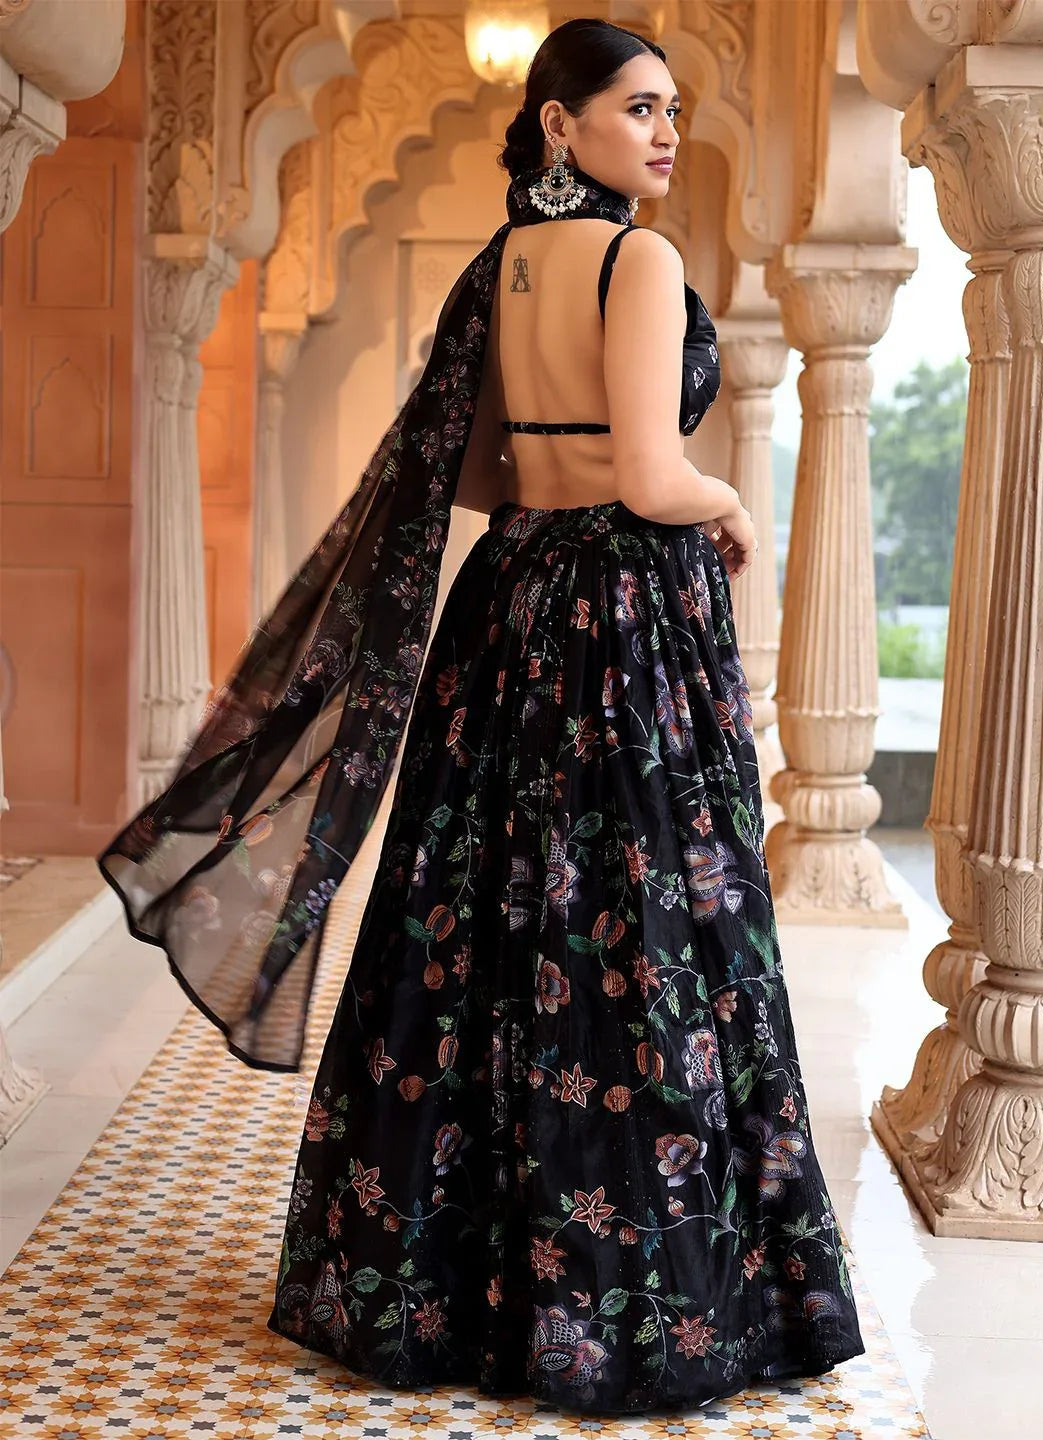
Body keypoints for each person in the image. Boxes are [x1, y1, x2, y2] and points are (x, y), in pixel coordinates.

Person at [99, 14, 864, 1419]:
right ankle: (630, 1303)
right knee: (640, 941)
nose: (667, 131)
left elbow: (478, 473)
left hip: (510, 608)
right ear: (561, 125)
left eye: (673, 108)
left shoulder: (499, 269)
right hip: (621, 630)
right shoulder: (640, 261)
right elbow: (647, 470)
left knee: (483, 930)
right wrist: (732, 502)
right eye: (639, 108)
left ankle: (444, 1286)